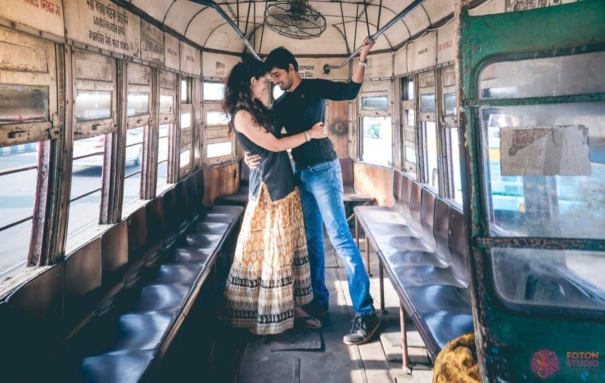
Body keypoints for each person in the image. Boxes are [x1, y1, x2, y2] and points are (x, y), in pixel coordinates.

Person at [245, 37, 379, 345]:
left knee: (340, 238)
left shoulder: (316, 87)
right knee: (312, 240)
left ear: (291, 69)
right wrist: (247, 155)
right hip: (300, 174)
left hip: (324, 170)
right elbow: (266, 138)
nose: (275, 81)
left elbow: (351, 91)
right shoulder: (278, 105)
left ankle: (365, 311)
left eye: (278, 75)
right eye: (272, 78)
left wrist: (363, 57)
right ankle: (320, 300)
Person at [219, 59, 328, 335]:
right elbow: (276, 144)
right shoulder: (242, 114)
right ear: (251, 82)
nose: (267, 83)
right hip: (269, 191)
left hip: (282, 184)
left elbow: (265, 144)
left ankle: (290, 306)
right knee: (272, 254)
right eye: (263, 80)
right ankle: (275, 310)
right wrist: (311, 134)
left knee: (284, 252)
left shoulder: (256, 109)